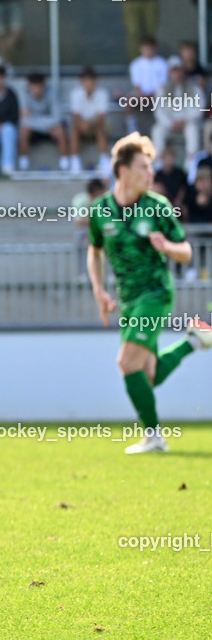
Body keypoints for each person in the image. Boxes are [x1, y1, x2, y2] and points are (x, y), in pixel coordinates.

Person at [87, 133, 212, 454]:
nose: (151, 174)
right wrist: (99, 290)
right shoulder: (101, 209)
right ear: (123, 171)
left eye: (151, 167)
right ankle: (194, 341)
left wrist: (167, 246)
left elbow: (185, 250)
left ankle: (154, 437)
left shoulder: (157, 206)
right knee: (148, 375)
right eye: (144, 167)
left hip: (155, 294)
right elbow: (95, 250)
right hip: (128, 300)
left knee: (127, 363)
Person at [151, 56, 203, 162]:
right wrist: (170, 124)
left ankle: (191, 161)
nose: (177, 74)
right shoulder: (162, 90)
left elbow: (199, 108)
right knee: (157, 130)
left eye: (179, 70)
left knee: (192, 129)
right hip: (170, 125)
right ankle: (159, 162)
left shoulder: (194, 88)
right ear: (169, 73)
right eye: (174, 71)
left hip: (187, 123)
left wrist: (185, 121)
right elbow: (159, 112)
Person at [18, 73, 69, 171]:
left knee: (60, 130)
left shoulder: (52, 93)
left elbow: (57, 118)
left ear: (44, 86)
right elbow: (24, 120)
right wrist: (46, 124)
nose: (37, 90)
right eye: (34, 87)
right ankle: (23, 165)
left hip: (51, 129)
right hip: (38, 129)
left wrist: (34, 119)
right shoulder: (24, 94)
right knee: (24, 131)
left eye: (39, 87)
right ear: (29, 86)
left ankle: (64, 164)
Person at [69, 66, 110, 175]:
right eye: (86, 81)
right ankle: (75, 161)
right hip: (81, 125)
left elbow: (101, 116)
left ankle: (104, 160)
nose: (89, 84)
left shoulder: (102, 93)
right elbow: (76, 115)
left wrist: (91, 125)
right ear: (82, 82)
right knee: (74, 130)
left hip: (96, 124)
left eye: (91, 81)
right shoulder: (75, 94)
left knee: (100, 129)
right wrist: (82, 125)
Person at [126, 36, 167, 135]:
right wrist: (141, 95)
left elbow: (162, 85)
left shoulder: (162, 63)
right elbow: (136, 85)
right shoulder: (135, 64)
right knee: (128, 101)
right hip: (141, 95)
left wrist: (151, 96)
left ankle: (162, 127)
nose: (147, 50)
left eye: (150, 48)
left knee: (163, 98)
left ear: (155, 48)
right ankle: (132, 130)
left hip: (157, 95)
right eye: (145, 48)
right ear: (141, 49)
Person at [153, 145, 187, 211]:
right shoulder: (158, 175)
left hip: (177, 204)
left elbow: (183, 188)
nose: (170, 160)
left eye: (172, 157)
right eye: (167, 157)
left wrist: (178, 201)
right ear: (162, 158)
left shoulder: (180, 174)